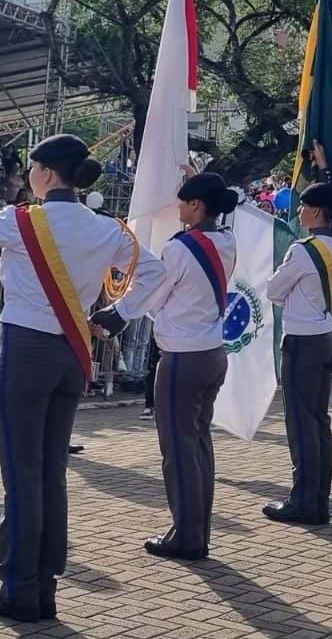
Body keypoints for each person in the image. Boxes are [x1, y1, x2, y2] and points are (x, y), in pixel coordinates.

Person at [0, 134, 164, 623]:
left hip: (27, 350)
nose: (29, 175)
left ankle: (19, 587)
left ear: (47, 174)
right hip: (72, 354)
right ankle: (45, 584)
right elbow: (155, 274)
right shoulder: (107, 230)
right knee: (51, 470)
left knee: (21, 473)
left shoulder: (22, 221)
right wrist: (118, 315)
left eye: (32, 168)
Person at [95, 172, 238, 559]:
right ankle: (197, 529)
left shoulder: (180, 247)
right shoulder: (227, 241)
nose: (177, 208)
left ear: (195, 205)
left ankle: (187, 536)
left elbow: (155, 294)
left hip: (182, 355)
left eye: (182, 201)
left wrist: (118, 312)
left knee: (178, 449)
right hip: (212, 352)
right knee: (199, 445)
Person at [262, 162, 332, 525]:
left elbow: (273, 290)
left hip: (302, 339)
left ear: (315, 210)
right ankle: (318, 499)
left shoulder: (304, 250)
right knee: (318, 422)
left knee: (301, 424)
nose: (298, 211)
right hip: (325, 335)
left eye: (301, 206)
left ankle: (303, 500)